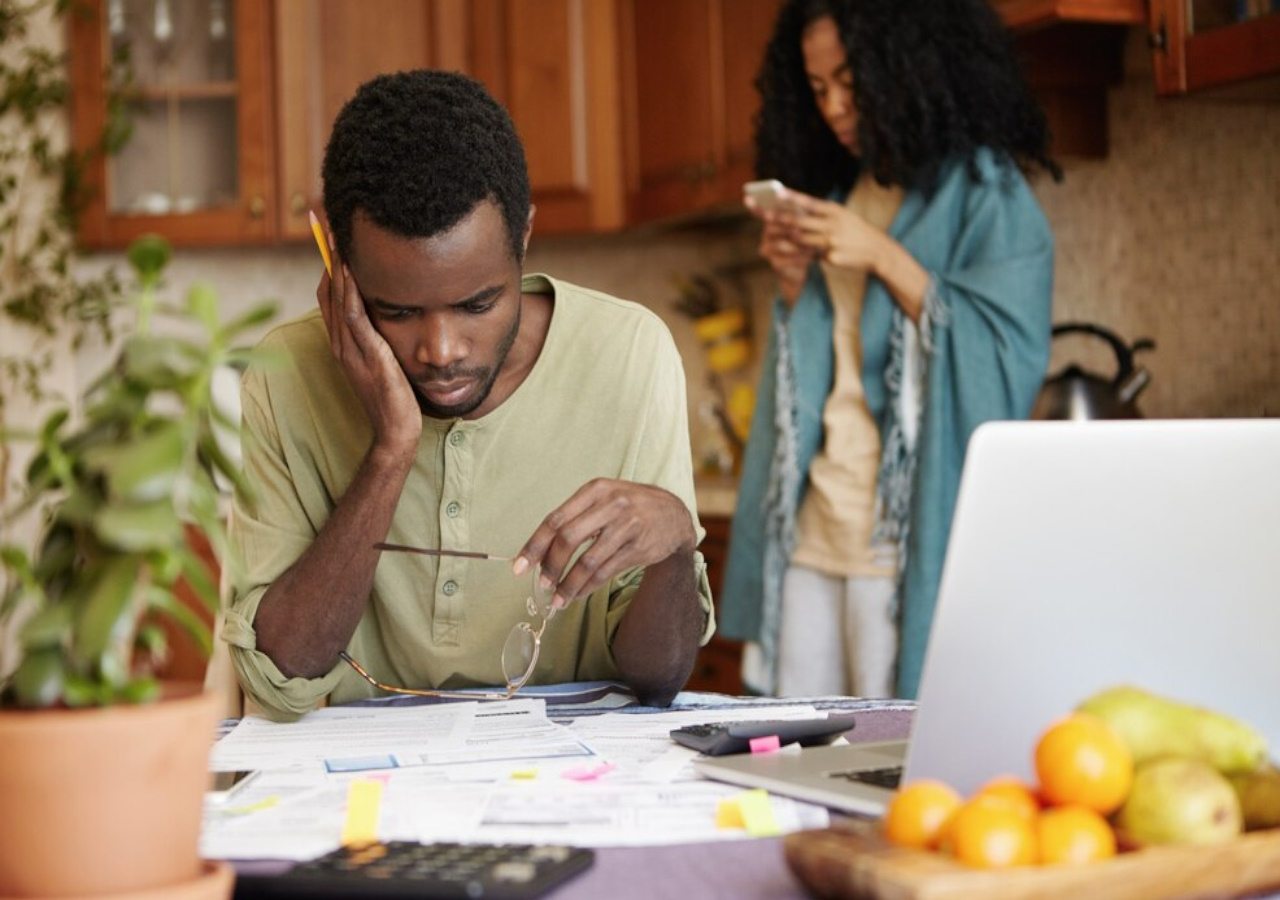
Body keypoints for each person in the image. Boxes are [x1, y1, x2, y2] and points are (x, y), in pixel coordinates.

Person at [221, 70, 712, 721]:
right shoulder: (285, 374)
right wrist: (392, 448)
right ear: (339, 269)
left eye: (478, 303)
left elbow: (659, 680)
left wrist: (675, 544)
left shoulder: (629, 354)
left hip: (570, 780)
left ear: (525, 238)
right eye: (396, 311)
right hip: (358, 788)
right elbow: (282, 675)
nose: (442, 349)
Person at [719, 0, 1058, 700]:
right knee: (794, 767)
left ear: (906, 67)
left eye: (851, 80)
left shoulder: (984, 190)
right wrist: (791, 286)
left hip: (897, 551)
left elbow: (1008, 357)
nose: (837, 108)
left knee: (891, 770)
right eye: (818, 91)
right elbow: (820, 363)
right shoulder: (846, 189)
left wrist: (883, 257)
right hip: (813, 534)